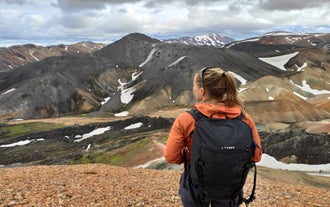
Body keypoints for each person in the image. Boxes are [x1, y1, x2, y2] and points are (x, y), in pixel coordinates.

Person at [164, 67, 262, 207]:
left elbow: (171, 157)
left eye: (194, 85)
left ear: (202, 91)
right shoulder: (245, 119)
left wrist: (192, 158)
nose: (193, 88)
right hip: (231, 189)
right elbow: (256, 156)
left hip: (196, 190)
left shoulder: (187, 119)